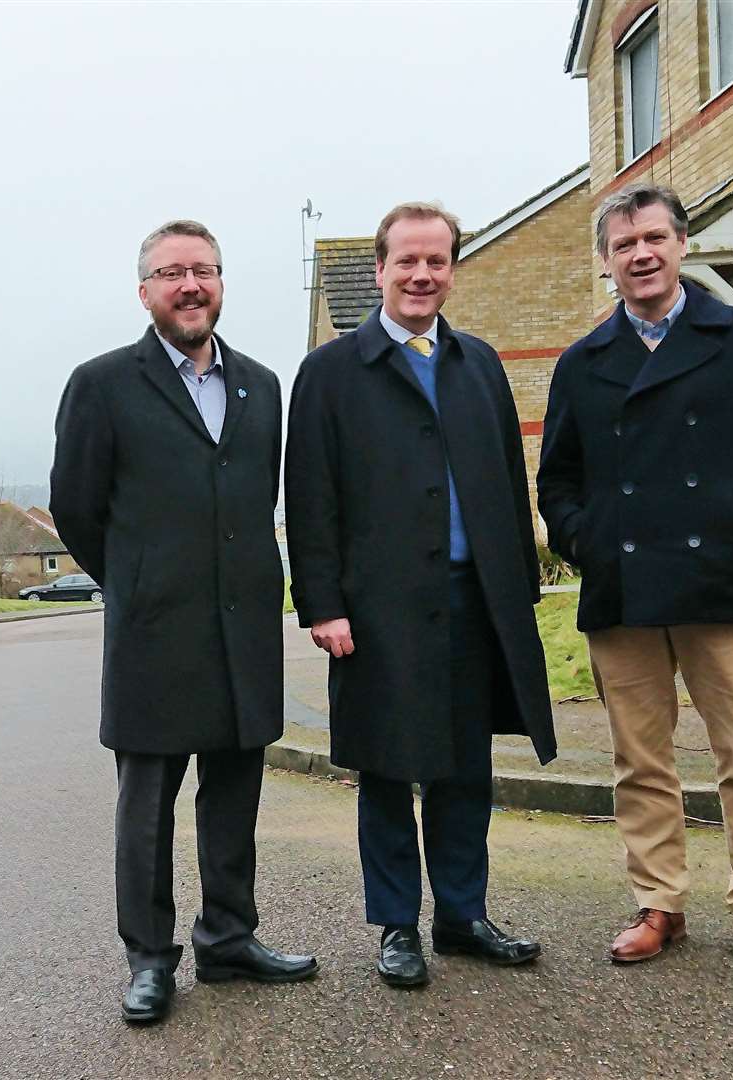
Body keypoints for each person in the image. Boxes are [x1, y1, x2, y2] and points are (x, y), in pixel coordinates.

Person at [537, 183, 733, 971]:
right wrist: (589, 541)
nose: (641, 255)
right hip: (622, 587)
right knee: (641, 759)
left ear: (681, 244)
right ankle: (659, 901)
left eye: (654, 238)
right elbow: (555, 479)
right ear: (606, 262)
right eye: (624, 245)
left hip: (720, 581)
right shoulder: (583, 361)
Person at [50, 219, 317, 1025]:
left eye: (202, 270)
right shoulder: (101, 384)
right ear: (145, 292)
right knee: (148, 807)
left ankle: (229, 940)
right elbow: (75, 507)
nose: (189, 285)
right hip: (154, 632)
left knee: (233, 795)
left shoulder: (263, 384)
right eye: (171, 273)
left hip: (243, 631)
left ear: (222, 283)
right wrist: (134, 579)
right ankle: (150, 959)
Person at [285, 202, 556, 989]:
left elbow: (510, 482)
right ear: (379, 269)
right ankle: (397, 926)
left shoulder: (479, 365)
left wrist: (519, 591)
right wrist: (323, 603)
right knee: (387, 768)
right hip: (378, 612)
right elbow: (310, 496)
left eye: (436, 261)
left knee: (466, 769)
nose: (421, 274)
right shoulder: (332, 374)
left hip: (475, 602)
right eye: (406, 260)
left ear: (451, 269)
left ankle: (462, 916)